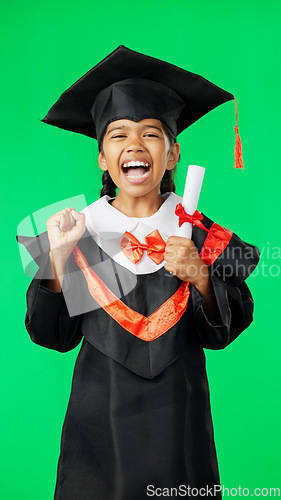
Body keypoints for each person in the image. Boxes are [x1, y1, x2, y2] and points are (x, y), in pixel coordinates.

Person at [17, 46, 260, 499]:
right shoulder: (79, 234)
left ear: (171, 155)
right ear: (103, 159)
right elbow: (53, 336)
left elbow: (224, 333)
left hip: (179, 430)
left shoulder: (202, 239)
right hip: (97, 437)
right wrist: (58, 258)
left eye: (152, 134)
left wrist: (201, 276)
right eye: (118, 135)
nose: (134, 145)